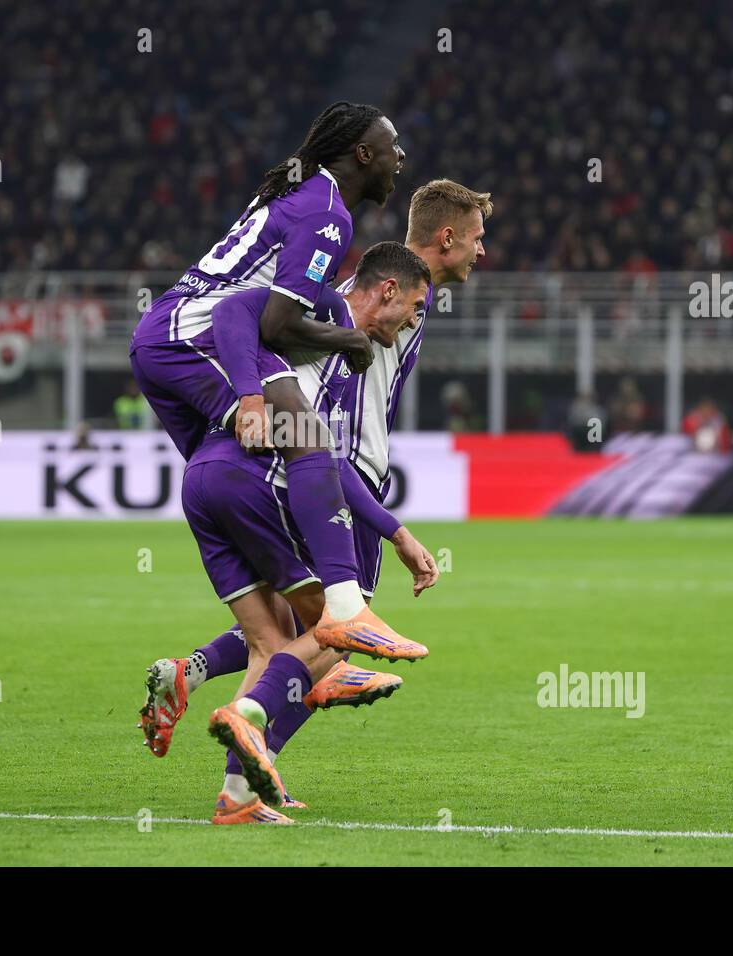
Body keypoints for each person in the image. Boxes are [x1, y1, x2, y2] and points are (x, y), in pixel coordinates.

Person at [140, 182, 492, 778]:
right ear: (446, 238)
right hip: (331, 467)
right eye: (477, 237)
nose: (483, 251)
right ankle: (251, 742)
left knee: (290, 624)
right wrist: (393, 527)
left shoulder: (389, 292)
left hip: (287, 463)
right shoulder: (361, 302)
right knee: (337, 631)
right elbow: (247, 314)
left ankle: (201, 689)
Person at [129, 102, 418, 658]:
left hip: (169, 340)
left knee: (238, 472)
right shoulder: (328, 214)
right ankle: (345, 607)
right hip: (192, 335)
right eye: (392, 146)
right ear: (363, 152)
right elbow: (273, 323)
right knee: (306, 435)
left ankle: (282, 662)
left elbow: (272, 315)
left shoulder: (300, 197)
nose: (399, 157)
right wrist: (347, 339)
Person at [178, 244, 439, 822]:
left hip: (206, 477)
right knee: (331, 626)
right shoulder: (321, 316)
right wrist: (393, 530)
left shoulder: (346, 353)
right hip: (260, 479)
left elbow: (317, 444)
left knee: (276, 637)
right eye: (416, 307)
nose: (416, 320)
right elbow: (232, 313)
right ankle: (252, 714)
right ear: (387, 289)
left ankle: (239, 790)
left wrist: (395, 532)